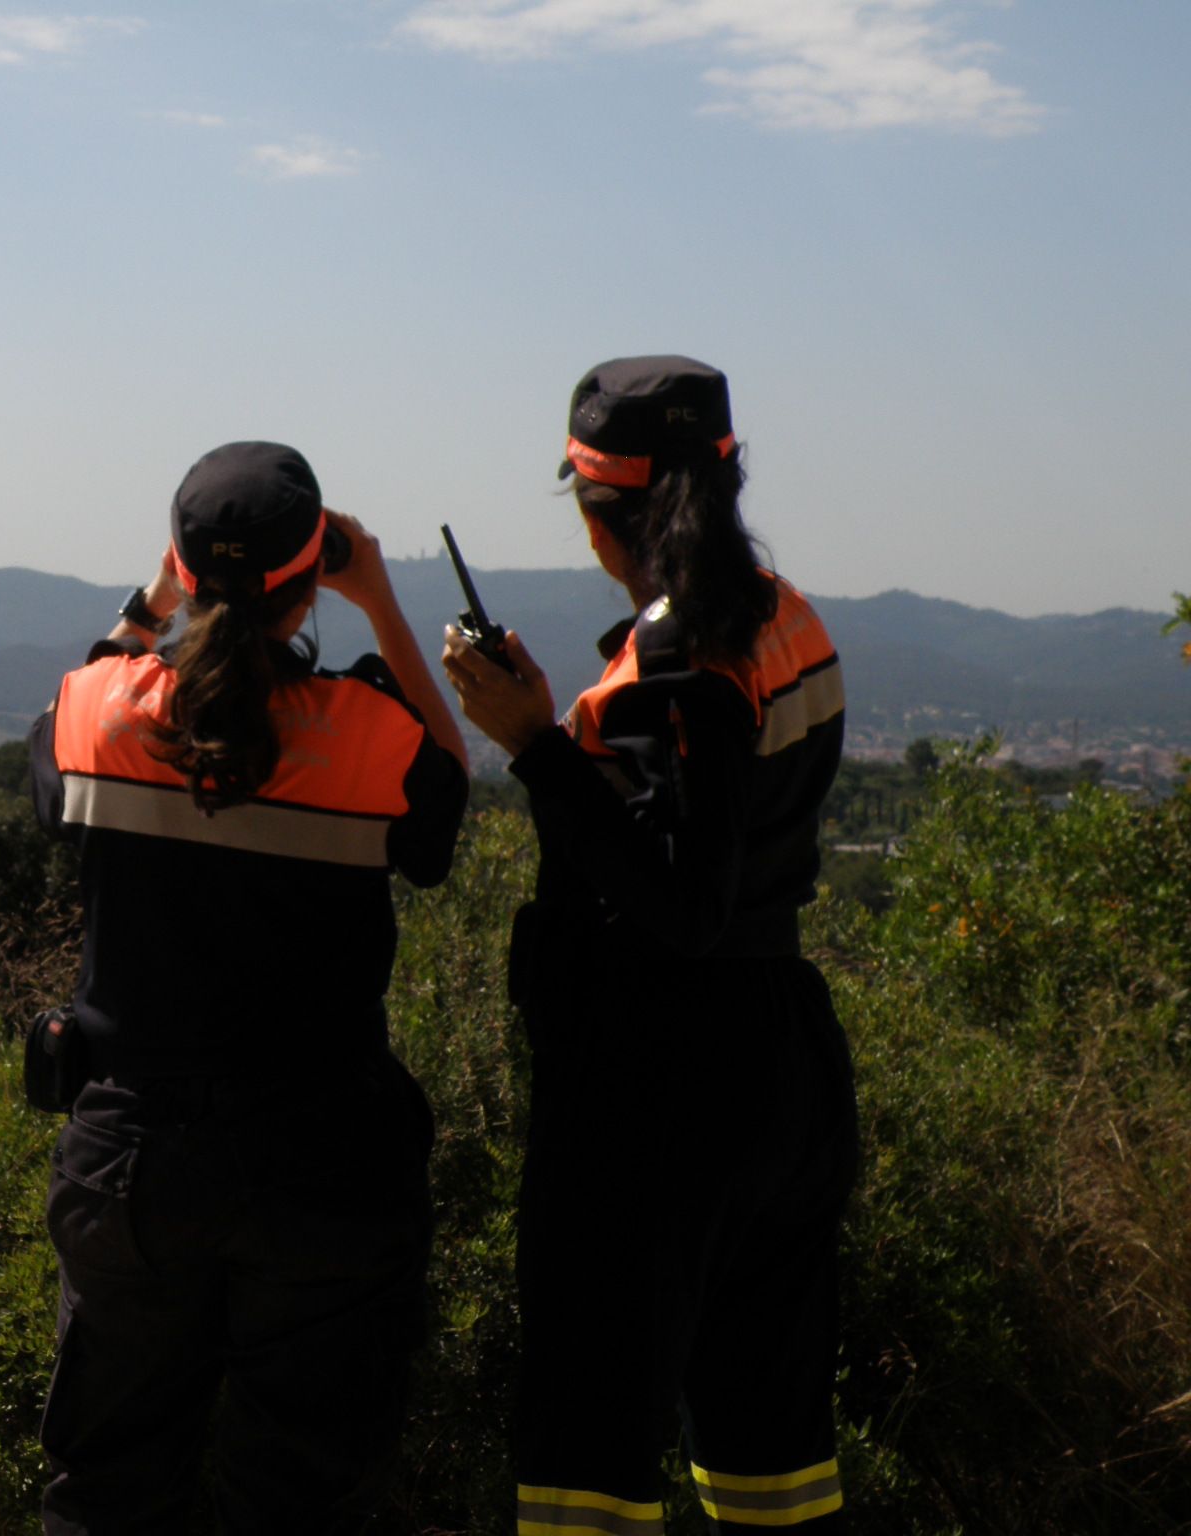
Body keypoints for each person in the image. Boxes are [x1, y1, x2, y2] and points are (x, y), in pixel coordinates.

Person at [440, 358, 857, 1534]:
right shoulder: (782, 617)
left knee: (588, 1457)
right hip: (780, 1064)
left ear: (591, 512)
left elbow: (680, 904)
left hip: (651, 1095)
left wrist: (533, 744)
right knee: (770, 1445)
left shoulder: (670, 667)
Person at [29, 441, 469, 1534]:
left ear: (181, 565)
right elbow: (447, 800)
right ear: (311, 571)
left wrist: (155, 594)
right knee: (302, 1498)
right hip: (323, 1168)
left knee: (110, 1490)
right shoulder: (366, 733)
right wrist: (378, 605)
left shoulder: (98, 715)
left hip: (132, 1162)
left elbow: (82, 705)